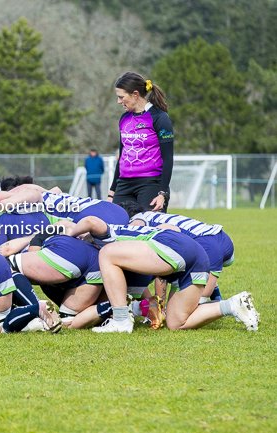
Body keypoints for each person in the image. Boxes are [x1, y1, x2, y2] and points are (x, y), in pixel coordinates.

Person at [67, 216, 259, 333]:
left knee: (106, 253)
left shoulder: (105, 236)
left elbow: (90, 221)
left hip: (177, 248)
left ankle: (120, 321)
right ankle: (233, 305)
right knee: (177, 322)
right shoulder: (126, 258)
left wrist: (70, 237)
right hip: (196, 253)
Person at [107, 72, 174, 212]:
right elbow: (122, 156)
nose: (119, 102)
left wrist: (162, 194)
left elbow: (168, 158)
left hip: (151, 184)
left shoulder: (160, 118)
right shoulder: (124, 119)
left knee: (146, 229)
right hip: (124, 184)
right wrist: (111, 193)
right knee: (115, 228)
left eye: (121, 97)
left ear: (135, 94)